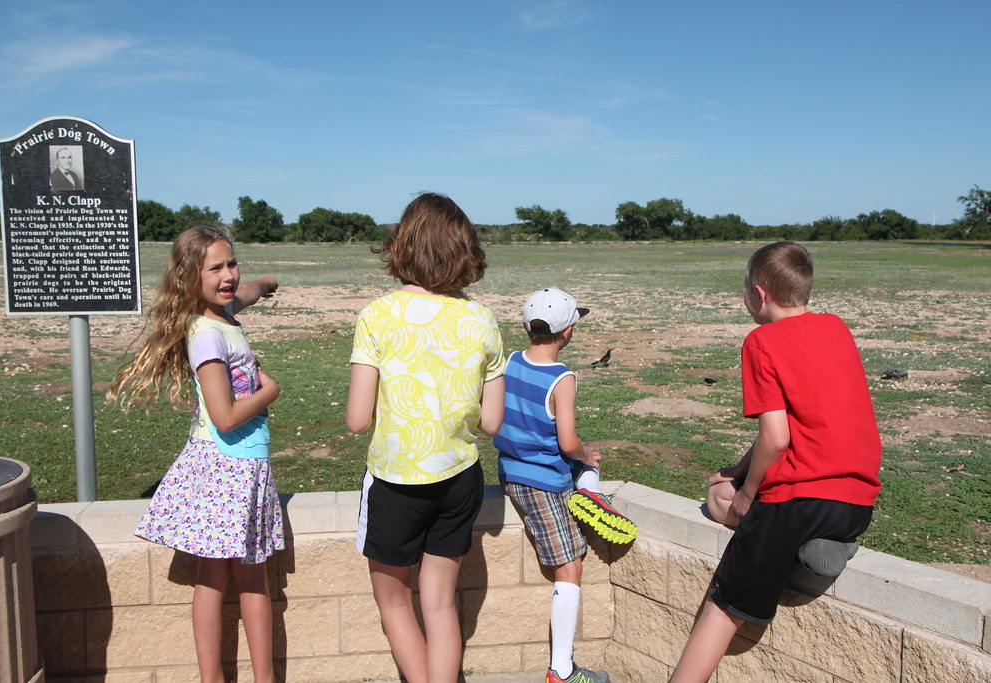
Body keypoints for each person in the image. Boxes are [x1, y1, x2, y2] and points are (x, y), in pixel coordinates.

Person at [670, 241, 882, 682]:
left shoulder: (761, 341)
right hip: (856, 504)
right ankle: (817, 548)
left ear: (760, 294)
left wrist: (746, 492)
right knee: (728, 489)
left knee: (721, 601)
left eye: (745, 289)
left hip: (797, 502)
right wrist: (737, 469)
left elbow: (777, 437)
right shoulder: (836, 327)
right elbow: (800, 425)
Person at [107, 226, 282, 683]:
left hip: (245, 465)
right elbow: (224, 416)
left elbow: (240, 293)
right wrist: (270, 390)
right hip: (228, 466)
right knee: (217, 578)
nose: (228, 276)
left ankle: (261, 678)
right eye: (215, 268)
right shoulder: (207, 335)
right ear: (190, 278)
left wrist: (262, 285)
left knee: (249, 578)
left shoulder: (222, 312)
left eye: (231, 263)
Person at [346, 192, 506, 683]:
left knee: (394, 602)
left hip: (396, 482)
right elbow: (492, 423)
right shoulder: (481, 319)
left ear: (403, 245)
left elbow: (356, 419)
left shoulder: (377, 315)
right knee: (440, 607)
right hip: (460, 480)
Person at [493, 287, 636, 683]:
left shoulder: (510, 363)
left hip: (511, 468)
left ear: (526, 327)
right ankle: (561, 670)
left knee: (582, 475)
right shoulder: (563, 378)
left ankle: (586, 496)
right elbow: (568, 442)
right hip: (541, 482)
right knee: (570, 569)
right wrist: (587, 454)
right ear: (568, 332)